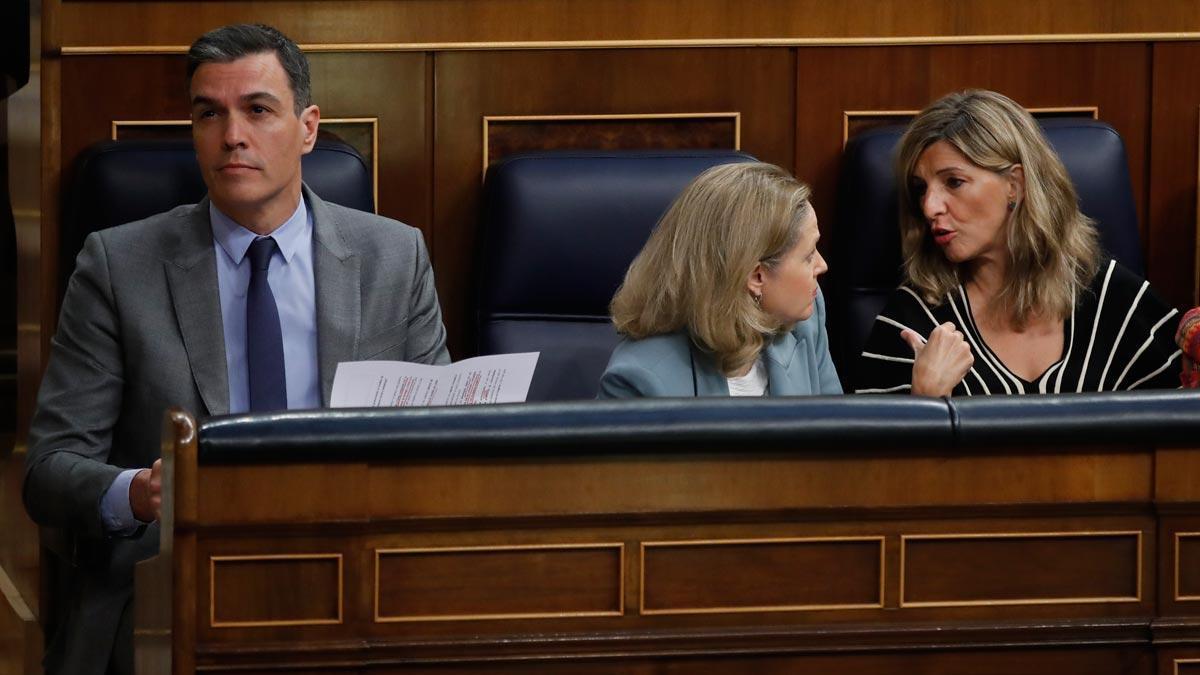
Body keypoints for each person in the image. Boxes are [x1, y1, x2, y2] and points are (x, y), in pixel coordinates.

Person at [23, 24, 449, 674]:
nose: (232, 136)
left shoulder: (393, 257)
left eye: (257, 109)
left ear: (307, 128)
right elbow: (48, 470)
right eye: (208, 113)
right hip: (174, 588)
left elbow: (445, 439)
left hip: (353, 579)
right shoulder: (119, 265)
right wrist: (137, 492)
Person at [856, 89, 1180, 396]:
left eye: (953, 182)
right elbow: (875, 452)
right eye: (920, 188)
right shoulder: (913, 321)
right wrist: (925, 399)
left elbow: (1179, 435)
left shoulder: (1118, 303)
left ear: (1015, 185)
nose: (929, 207)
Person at [599, 162, 841, 398]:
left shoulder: (805, 320)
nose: (822, 265)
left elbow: (836, 430)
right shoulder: (641, 380)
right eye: (809, 256)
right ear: (756, 276)